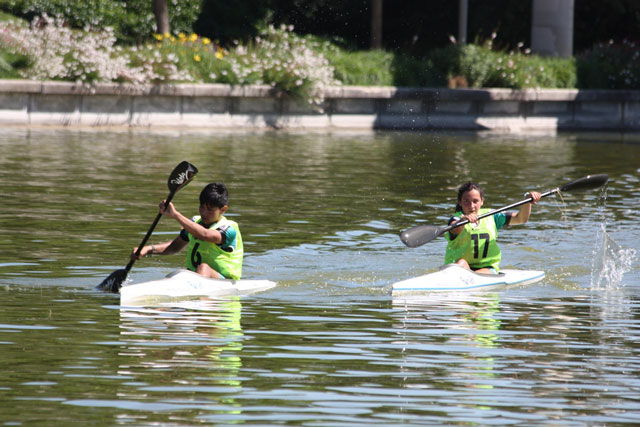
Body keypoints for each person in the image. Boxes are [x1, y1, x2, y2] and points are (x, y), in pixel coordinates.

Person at [131, 182, 243, 280]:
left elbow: (206, 235)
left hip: (224, 281)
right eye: (202, 207)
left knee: (204, 268)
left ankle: (199, 300)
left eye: (210, 209)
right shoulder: (194, 223)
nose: (204, 213)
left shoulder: (229, 229)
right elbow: (174, 247)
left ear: (223, 209)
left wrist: (175, 215)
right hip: (196, 276)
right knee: (176, 275)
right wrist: (148, 249)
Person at [445, 182, 541, 274]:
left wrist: (528, 201)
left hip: (487, 269)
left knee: (472, 271)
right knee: (461, 262)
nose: (471, 206)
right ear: (460, 203)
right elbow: (455, 229)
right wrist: (463, 221)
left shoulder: (492, 216)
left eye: (475, 201)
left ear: (482, 201)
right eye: (466, 201)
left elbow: (521, 219)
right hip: (459, 268)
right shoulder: (456, 218)